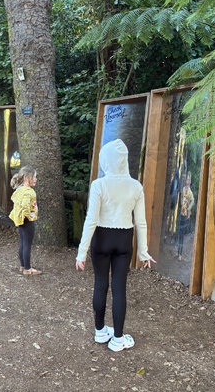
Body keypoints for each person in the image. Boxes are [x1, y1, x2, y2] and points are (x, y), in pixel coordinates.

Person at [76, 139, 155, 352]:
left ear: (106, 160)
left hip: (101, 239)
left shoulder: (99, 185)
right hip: (124, 240)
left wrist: (81, 252)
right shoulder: (135, 186)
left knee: (100, 284)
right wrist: (144, 251)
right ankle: (118, 339)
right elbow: (141, 222)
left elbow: (91, 220)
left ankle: (100, 331)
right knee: (119, 289)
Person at [9, 166, 41, 275]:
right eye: (34, 177)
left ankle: (22, 266)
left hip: (21, 221)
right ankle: (28, 269)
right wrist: (28, 216)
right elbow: (25, 205)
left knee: (23, 243)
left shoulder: (19, 189)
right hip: (27, 221)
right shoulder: (28, 191)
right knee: (27, 244)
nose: (36, 179)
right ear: (27, 179)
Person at [177, 171, 195, 261]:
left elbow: (192, 201)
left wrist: (188, 208)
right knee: (178, 233)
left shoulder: (190, 192)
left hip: (185, 214)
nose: (187, 181)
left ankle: (180, 254)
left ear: (190, 181)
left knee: (182, 235)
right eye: (187, 179)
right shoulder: (183, 189)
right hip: (179, 213)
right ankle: (177, 252)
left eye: (189, 180)